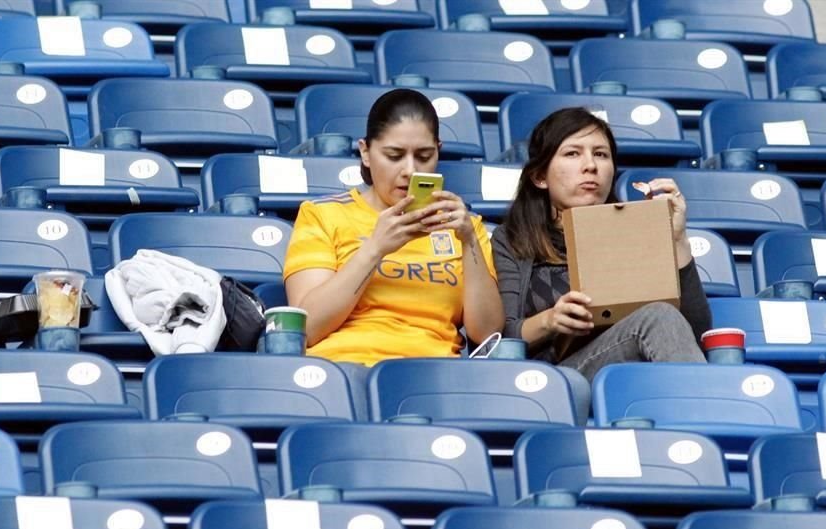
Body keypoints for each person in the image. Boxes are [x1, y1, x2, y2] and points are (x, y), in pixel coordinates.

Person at [283, 88, 504, 368]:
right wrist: (375, 249)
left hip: (434, 374)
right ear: (366, 152)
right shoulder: (323, 215)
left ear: (438, 151)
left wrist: (469, 241)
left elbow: (486, 334)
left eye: (424, 155)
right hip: (344, 368)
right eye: (394, 155)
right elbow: (307, 329)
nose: (410, 170)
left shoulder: (464, 227)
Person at [492, 107, 711, 382]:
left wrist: (677, 239)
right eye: (573, 153)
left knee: (660, 317)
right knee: (657, 317)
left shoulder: (637, 230)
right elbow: (500, 339)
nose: (591, 166)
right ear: (540, 176)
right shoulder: (512, 237)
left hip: (635, 369)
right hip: (554, 378)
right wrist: (551, 320)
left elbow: (691, 332)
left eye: (601, 154)